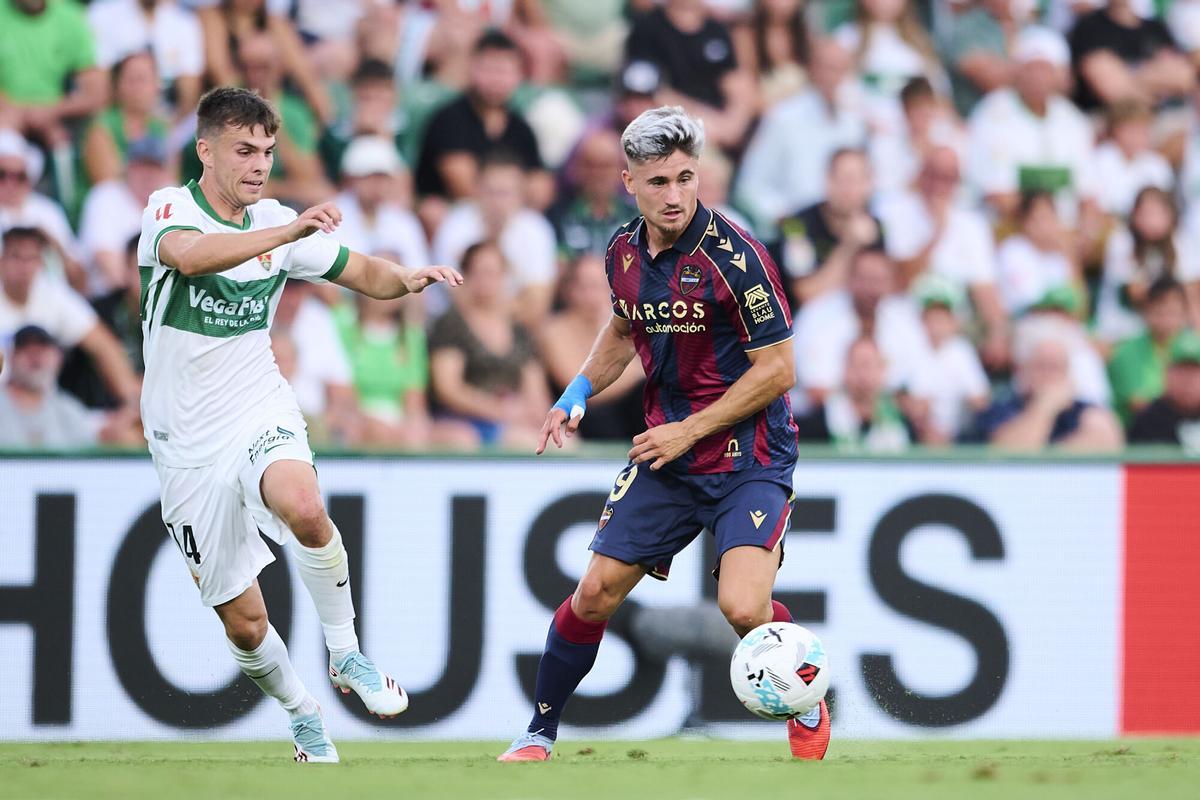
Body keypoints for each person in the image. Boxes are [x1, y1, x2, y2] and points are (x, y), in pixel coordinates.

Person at [137, 86, 462, 762]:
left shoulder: (279, 223)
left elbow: (358, 269)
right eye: (244, 150)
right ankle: (301, 710)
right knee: (246, 622)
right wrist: (288, 231)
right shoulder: (168, 210)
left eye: (268, 151)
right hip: (183, 440)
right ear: (206, 150)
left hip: (257, 404)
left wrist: (407, 277)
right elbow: (193, 258)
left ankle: (346, 655)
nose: (259, 164)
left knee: (304, 504)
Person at [497, 106, 829, 764]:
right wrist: (576, 392)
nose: (674, 195)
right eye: (659, 182)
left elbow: (780, 370)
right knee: (592, 593)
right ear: (629, 182)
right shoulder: (622, 251)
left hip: (749, 458)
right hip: (669, 458)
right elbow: (623, 329)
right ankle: (538, 733)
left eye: (685, 178)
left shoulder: (738, 258)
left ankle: (806, 688)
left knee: (740, 606)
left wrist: (690, 430)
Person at [879, 145, 1010, 365]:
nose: (939, 186)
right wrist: (936, 235)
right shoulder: (892, 212)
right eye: (934, 175)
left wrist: (997, 333)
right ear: (921, 175)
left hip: (954, 328)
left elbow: (986, 290)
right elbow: (898, 282)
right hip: (903, 320)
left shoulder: (972, 225)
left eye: (948, 178)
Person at [967, 25, 1099, 226]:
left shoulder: (1072, 119)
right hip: (1011, 228)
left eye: (1046, 69)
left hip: (1066, 231)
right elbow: (996, 194)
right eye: (1032, 69)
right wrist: (1043, 229)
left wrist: (1084, 231)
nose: (1038, 77)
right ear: (1017, 71)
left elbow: (1088, 192)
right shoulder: (992, 113)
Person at [734, 38, 866, 236]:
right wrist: (787, 222)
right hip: (795, 231)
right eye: (828, 68)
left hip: (844, 230)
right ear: (812, 69)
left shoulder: (853, 124)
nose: (834, 77)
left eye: (841, 69)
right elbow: (751, 185)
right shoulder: (783, 118)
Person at [0, 226, 140, 413]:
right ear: (2, 261)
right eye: (16, 257)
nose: (24, 267)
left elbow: (103, 345)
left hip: (45, 408)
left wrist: (133, 399)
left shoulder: (54, 295)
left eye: (31, 258)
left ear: (41, 263)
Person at [427, 241, 549, 447]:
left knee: (561, 439)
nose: (487, 280)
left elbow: (535, 386)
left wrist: (539, 416)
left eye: (493, 273)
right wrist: (500, 411)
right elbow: (448, 389)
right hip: (462, 420)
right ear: (465, 275)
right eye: (479, 272)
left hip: (513, 417)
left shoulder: (518, 329)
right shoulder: (451, 324)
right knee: (519, 441)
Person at [414, 30, 550, 207]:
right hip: (458, 213)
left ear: (518, 76)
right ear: (471, 68)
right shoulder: (448, 119)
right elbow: (463, 187)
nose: (496, 79)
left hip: (511, 215)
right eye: (489, 69)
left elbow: (540, 188)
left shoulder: (521, 128)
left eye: (504, 71)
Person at [791, 247, 929, 409]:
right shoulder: (817, 315)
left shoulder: (904, 320)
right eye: (866, 279)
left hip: (892, 418)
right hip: (822, 420)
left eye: (879, 280)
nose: (872, 289)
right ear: (849, 279)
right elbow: (816, 391)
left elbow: (919, 389)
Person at [432, 150, 558, 327]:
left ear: (521, 194)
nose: (498, 201)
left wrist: (493, 310)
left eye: (506, 193)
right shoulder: (455, 224)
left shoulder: (536, 229)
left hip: (518, 327)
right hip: (463, 325)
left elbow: (537, 306)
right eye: (492, 192)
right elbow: (457, 296)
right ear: (477, 190)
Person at [537, 254, 644, 441]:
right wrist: (637, 373)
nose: (593, 296)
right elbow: (579, 388)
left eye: (600, 286)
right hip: (582, 417)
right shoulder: (555, 330)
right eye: (585, 287)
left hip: (624, 410)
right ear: (568, 290)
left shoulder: (618, 323)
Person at [624, 0, 754, 149]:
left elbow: (736, 83)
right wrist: (709, 125)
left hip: (724, 130)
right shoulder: (646, 29)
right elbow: (648, 96)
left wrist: (733, 127)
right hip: (674, 133)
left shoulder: (717, 29)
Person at [970, 328, 1124, 451]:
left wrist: (1045, 451)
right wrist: (1044, 408)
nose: (1049, 376)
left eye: (1056, 367)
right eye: (1042, 366)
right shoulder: (999, 409)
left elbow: (1108, 443)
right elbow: (1006, 454)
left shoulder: (1087, 412)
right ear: (1022, 370)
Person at [773, 147, 885, 310]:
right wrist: (850, 245)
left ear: (869, 184)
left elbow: (884, 290)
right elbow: (806, 294)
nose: (849, 189)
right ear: (828, 181)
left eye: (857, 180)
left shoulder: (875, 228)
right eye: (843, 179)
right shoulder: (797, 226)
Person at [0, 324, 139, 448]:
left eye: (42, 350)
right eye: (26, 350)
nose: (35, 357)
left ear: (58, 358)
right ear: (11, 358)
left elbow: (94, 441)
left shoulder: (69, 410)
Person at [1095, 186, 1200, 343]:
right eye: (1146, 213)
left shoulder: (1181, 242)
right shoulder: (1121, 241)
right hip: (1124, 327)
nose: (1151, 220)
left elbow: (1191, 292)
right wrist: (1172, 296)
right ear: (1135, 215)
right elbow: (1136, 294)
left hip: (1174, 326)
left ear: (1170, 215)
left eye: (1157, 213)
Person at [0, 0, 106, 148]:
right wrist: (16, 114)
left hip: (56, 121)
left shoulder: (71, 16)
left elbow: (96, 93)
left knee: (96, 131)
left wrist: (52, 111)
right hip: (5, 118)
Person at [85, 0, 205, 120]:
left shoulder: (184, 21)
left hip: (168, 119)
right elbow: (99, 82)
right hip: (118, 116)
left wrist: (172, 131)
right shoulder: (102, 14)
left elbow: (189, 89)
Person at [906, 276, 990, 445]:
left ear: (954, 322)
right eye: (931, 318)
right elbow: (903, 399)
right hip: (916, 433)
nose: (937, 325)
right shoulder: (911, 349)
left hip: (958, 435)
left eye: (943, 318)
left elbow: (980, 400)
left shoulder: (962, 351)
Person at [1068, 0, 1195, 112]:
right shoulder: (1089, 28)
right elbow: (1112, 91)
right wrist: (1157, 77)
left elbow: (1184, 78)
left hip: (1162, 118)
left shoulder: (1156, 27)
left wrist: (1128, 77)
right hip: (1112, 120)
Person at [795, 336, 916, 452]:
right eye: (857, 365)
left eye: (869, 365)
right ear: (845, 370)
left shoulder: (901, 420)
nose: (863, 374)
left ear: (882, 371)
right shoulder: (821, 420)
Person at [1107, 277, 1189, 427]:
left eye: (1172, 312)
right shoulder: (1126, 352)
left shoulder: (1193, 347)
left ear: (1184, 313)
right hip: (1141, 435)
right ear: (1147, 311)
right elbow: (1137, 404)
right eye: (1160, 311)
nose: (1166, 319)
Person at [549, 128, 639, 264]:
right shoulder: (556, 217)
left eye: (606, 166)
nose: (598, 174)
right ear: (576, 168)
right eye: (590, 165)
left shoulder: (637, 219)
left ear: (622, 170)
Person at [995, 190, 1079, 316]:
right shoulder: (1012, 250)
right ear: (1025, 221)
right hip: (1024, 321)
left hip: (1059, 323)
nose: (1043, 226)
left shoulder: (1058, 257)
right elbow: (1025, 303)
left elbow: (1077, 304)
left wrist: (1068, 253)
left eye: (1048, 218)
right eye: (1038, 218)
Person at [1093, 99, 1174, 218]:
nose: (1137, 137)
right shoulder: (1100, 159)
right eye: (1131, 129)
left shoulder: (1157, 164)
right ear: (1116, 130)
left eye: (1142, 130)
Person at [1128, 329, 1200, 449]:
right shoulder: (1148, 420)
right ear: (1167, 374)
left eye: (1194, 372)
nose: (1188, 380)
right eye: (1181, 372)